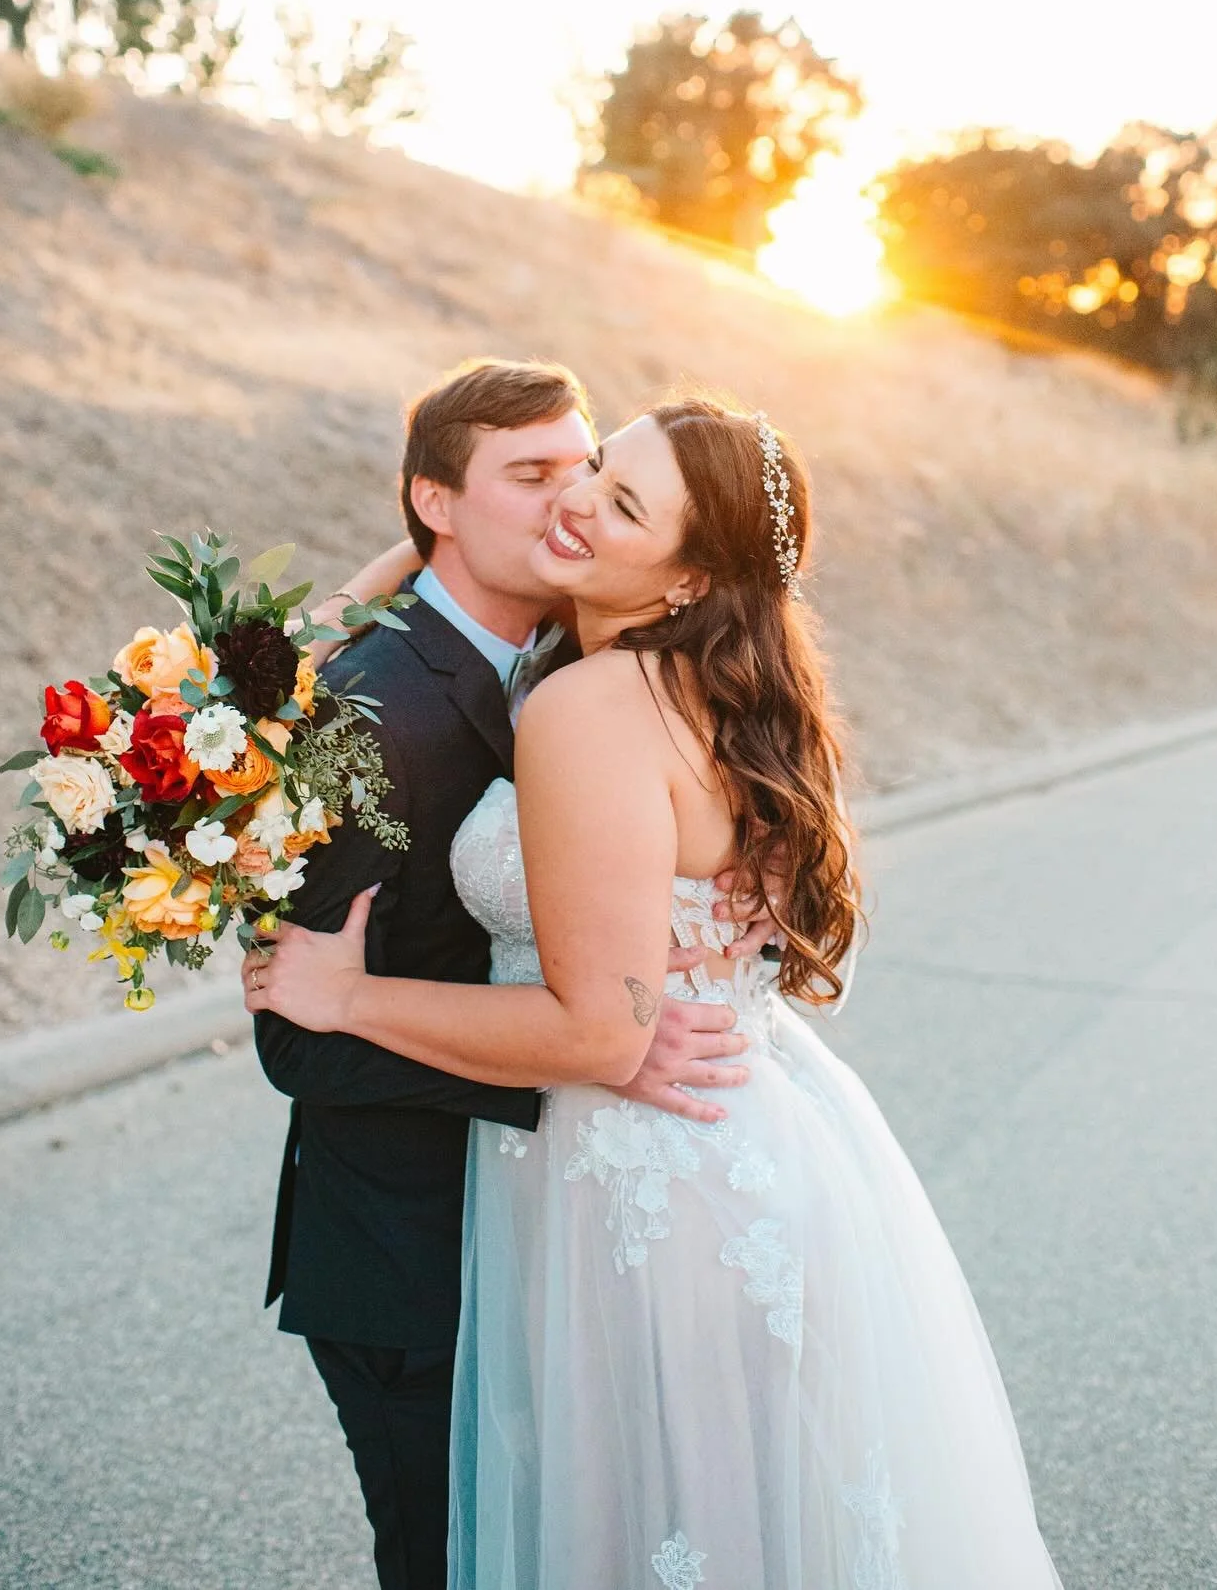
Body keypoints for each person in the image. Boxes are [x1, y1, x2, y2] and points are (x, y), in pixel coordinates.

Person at [248, 394, 1064, 1587]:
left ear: (687, 579)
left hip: (642, 1178)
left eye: (620, 500)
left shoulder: (585, 702)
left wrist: (350, 994)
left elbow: (595, 1025)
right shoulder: (715, 683)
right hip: (750, 1139)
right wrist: (419, 556)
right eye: (587, 468)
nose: (578, 500)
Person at [253, 360, 775, 1590]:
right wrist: (593, 1048)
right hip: (411, 1255)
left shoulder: (578, 644)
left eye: (587, 468)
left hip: (567, 1231)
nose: (570, 500)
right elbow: (297, 1033)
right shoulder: (357, 716)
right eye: (535, 474)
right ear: (436, 500)